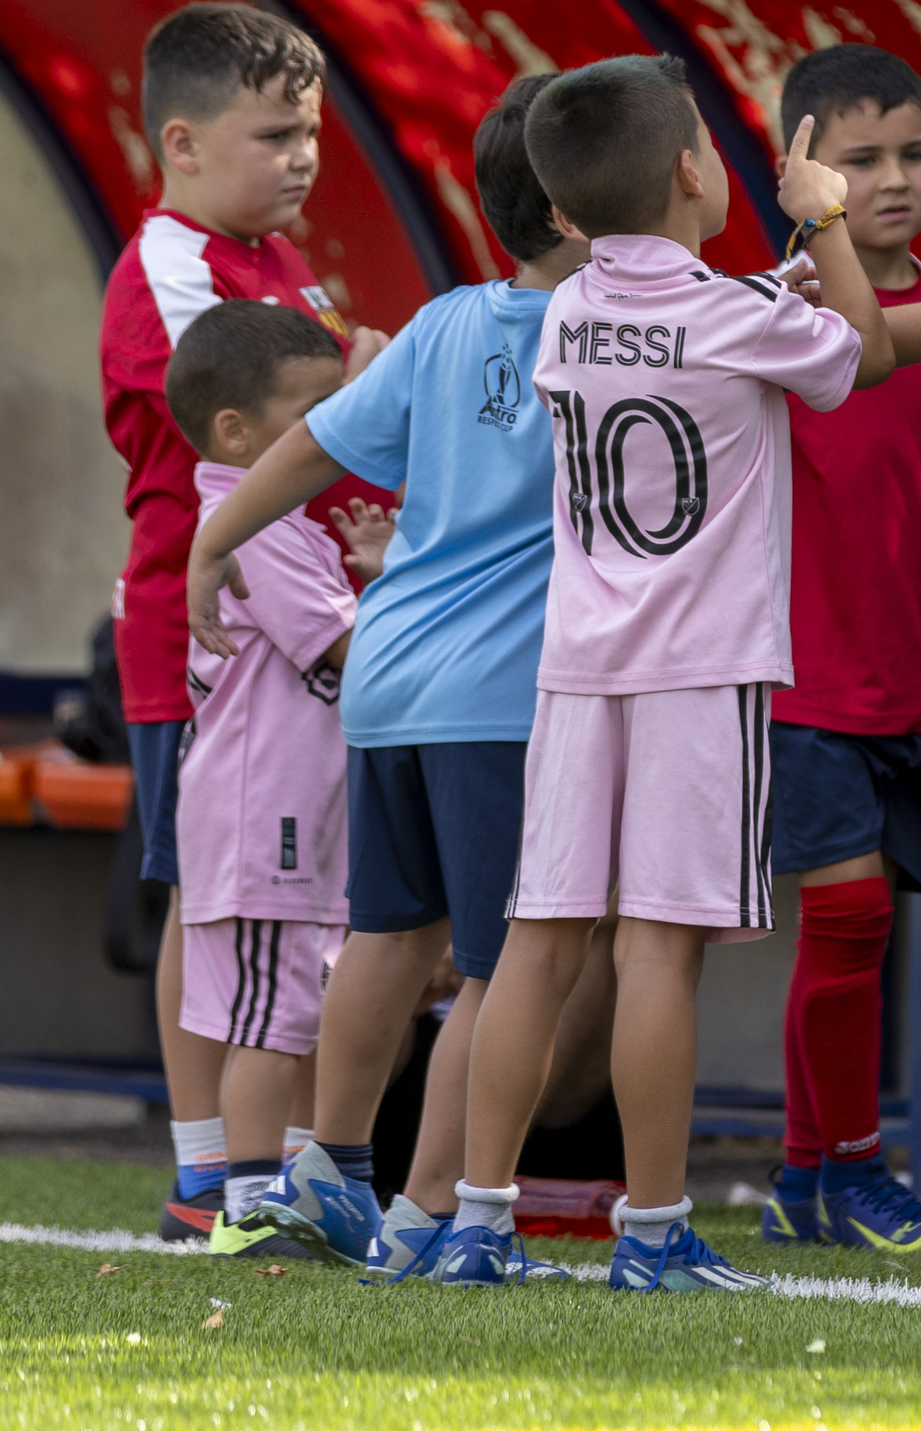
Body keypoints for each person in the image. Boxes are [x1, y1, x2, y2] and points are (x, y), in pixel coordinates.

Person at [451, 53, 895, 1294]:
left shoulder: (566, 309)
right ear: (697, 169)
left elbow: (665, 315)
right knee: (658, 948)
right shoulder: (739, 312)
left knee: (536, 939)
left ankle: (475, 1217)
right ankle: (651, 1234)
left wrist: (765, 279)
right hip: (701, 676)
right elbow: (857, 351)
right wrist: (820, 216)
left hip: (576, 672)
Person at [185, 74, 611, 1282]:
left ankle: (333, 1161)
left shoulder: (439, 324)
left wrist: (210, 541)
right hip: (497, 696)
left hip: (391, 676)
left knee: (385, 927)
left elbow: (311, 446)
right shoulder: (615, 336)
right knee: (504, 959)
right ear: (588, 213)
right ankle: (432, 1205)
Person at [99, 1, 384, 1239]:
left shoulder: (281, 266)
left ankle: (286, 1158)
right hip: (203, 635)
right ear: (184, 141)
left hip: (305, 630)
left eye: (311, 132)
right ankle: (207, 1161)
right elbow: (254, 439)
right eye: (275, 134)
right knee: (203, 893)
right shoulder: (170, 267)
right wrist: (360, 390)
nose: (303, 157)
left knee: (283, 902)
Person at [758, 44, 921, 1258]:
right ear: (801, 171)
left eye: (911, 151)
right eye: (860, 159)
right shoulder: (771, 310)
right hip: (799, 674)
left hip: (910, 670)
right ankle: (862, 1173)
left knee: (854, 929)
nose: (896, 177)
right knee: (850, 912)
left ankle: (804, 1176)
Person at [159, 300, 360, 1262]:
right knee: (269, 1020)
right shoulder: (257, 520)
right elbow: (344, 650)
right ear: (237, 433)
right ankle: (244, 1207)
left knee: (294, 1011)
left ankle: (285, 1193)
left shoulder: (283, 520)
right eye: (311, 411)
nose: (329, 432)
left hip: (292, 808)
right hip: (260, 810)